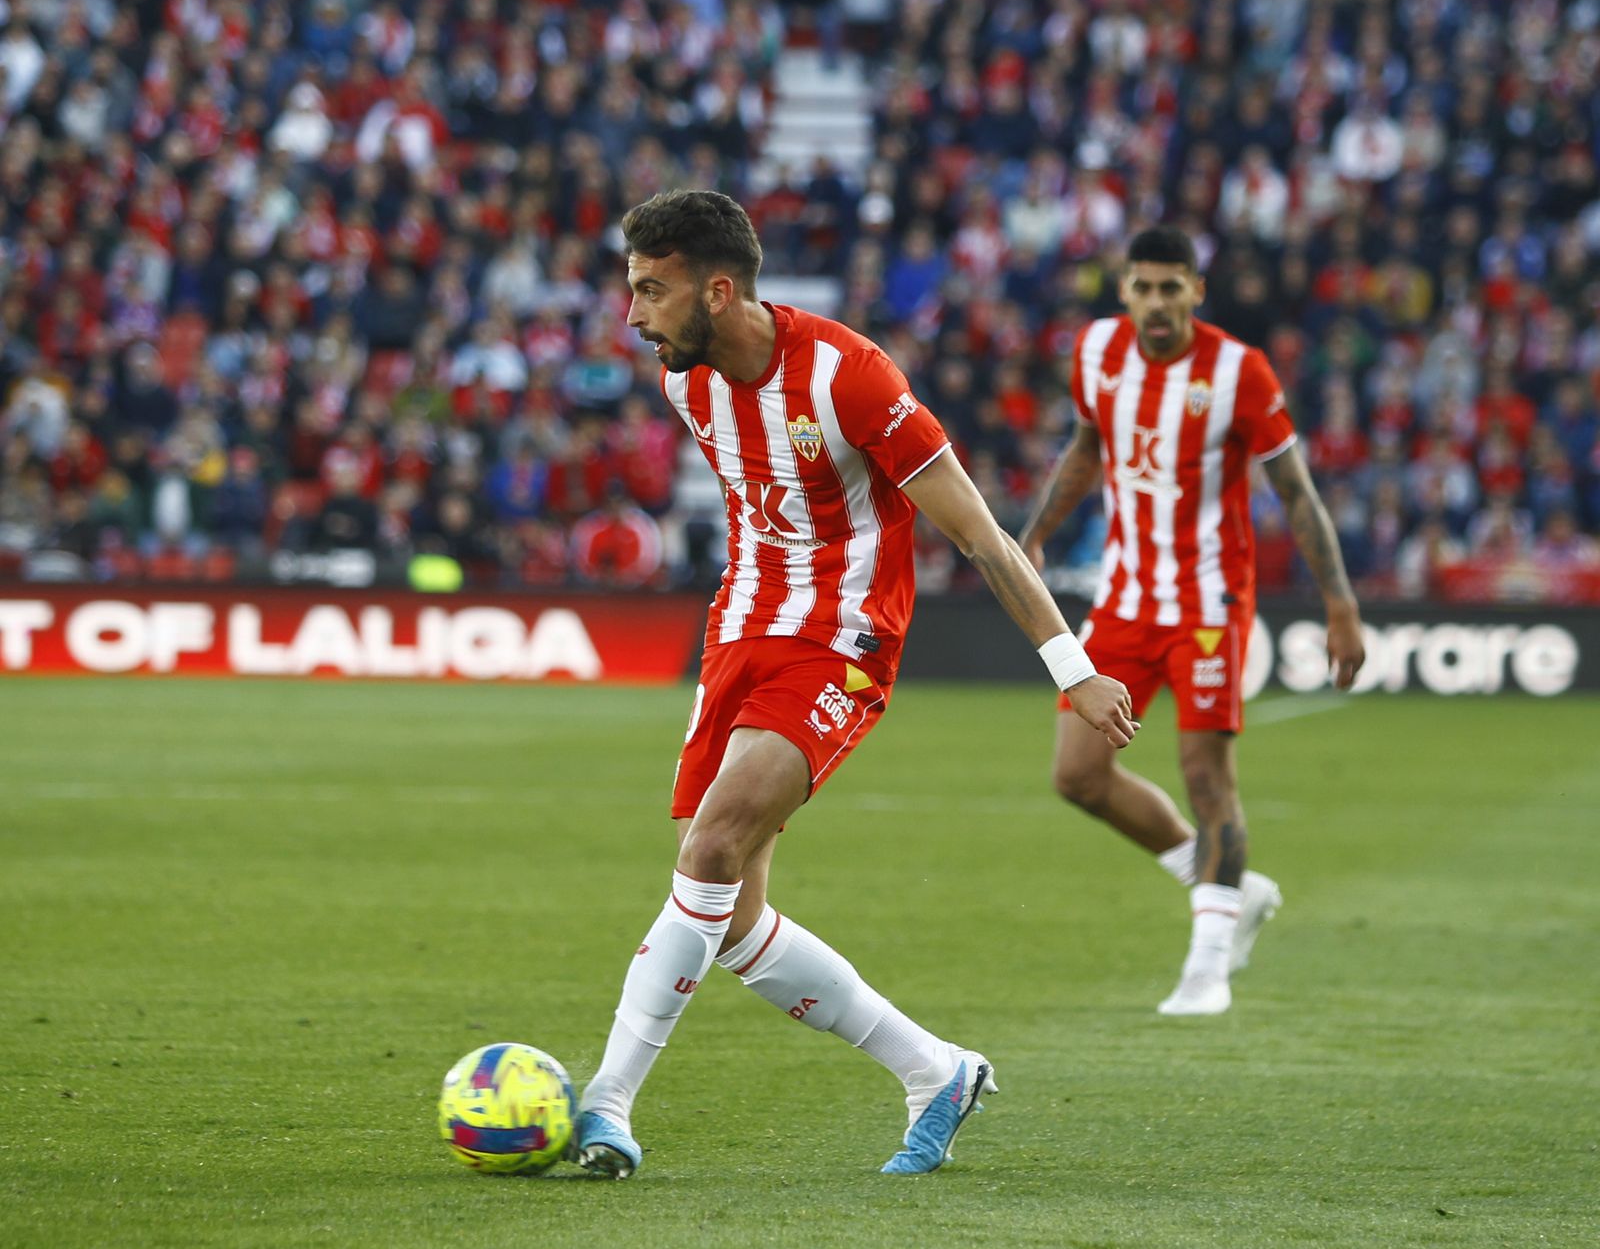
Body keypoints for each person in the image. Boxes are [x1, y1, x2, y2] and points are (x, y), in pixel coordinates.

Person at [575, 191, 1137, 1179]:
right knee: (733, 918)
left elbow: (977, 535)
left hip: (841, 642)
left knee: (707, 852)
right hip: (738, 636)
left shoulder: (851, 376)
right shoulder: (685, 384)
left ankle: (603, 1104)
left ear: (718, 288)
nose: (633, 315)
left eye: (650, 291)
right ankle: (936, 1071)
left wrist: (1074, 669)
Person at [1019, 226, 1365, 1017]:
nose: (1157, 302)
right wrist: (1036, 532)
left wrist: (1338, 603)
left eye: (1172, 287)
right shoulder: (1098, 353)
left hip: (1208, 607)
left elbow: (1298, 493)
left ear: (1196, 293)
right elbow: (1084, 447)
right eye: (1143, 286)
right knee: (1076, 774)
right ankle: (1227, 889)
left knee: (1208, 779)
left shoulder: (1238, 372)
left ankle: (1208, 969)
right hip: (1124, 601)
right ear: (1125, 291)